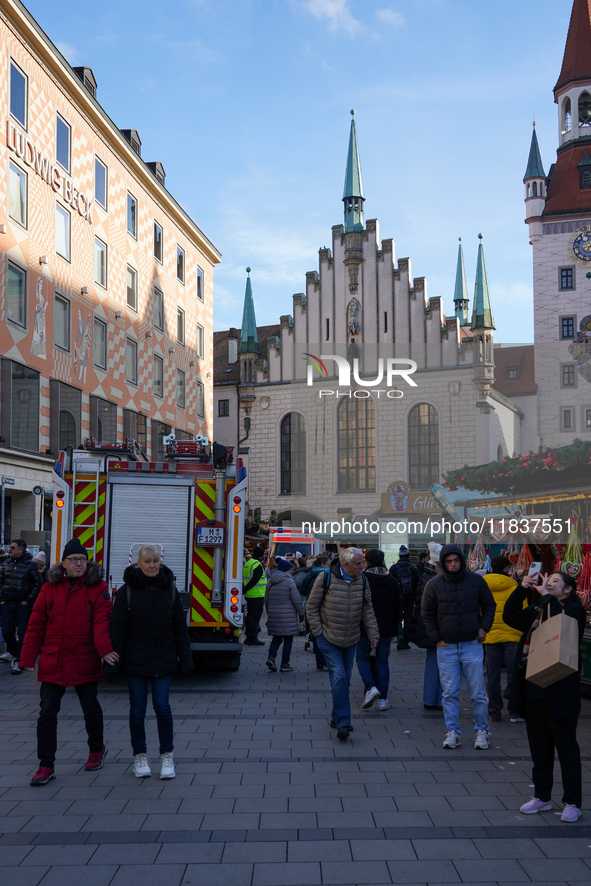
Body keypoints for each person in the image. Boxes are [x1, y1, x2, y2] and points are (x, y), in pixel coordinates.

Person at [19, 539, 117, 786]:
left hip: (85, 658)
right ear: (63, 563)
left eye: (82, 560)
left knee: (90, 708)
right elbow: (36, 624)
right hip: (55, 659)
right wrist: (27, 658)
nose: (78, 564)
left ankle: (96, 749)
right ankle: (46, 765)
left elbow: (101, 622)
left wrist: (105, 651)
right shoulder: (49, 587)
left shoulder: (98, 587)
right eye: (74, 560)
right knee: (47, 713)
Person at [503, 570, 586, 822]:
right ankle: (541, 797)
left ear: (569, 589)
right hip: (534, 688)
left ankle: (572, 802)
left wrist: (545, 597)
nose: (548, 583)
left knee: (566, 749)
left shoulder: (574, 612)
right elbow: (510, 617)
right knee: (539, 750)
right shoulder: (536, 611)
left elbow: (560, 623)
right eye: (546, 581)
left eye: (555, 581)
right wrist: (521, 588)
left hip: (561, 691)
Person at [110, 544, 192, 779]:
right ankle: (140, 756)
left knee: (162, 707)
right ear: (139, 563)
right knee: (137, 710)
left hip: (163, 660)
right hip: (135, 660)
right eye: (147, 562)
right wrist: (111, 665)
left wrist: (185, 660)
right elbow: (117, 630)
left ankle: (167, 756)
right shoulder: (126, 591)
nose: (152, 566)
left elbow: (179, 629)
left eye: (156, 561)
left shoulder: (170, 590)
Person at [421, 544, 496, 750]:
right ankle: (452, 731)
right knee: (449, 693)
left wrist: (484, 628)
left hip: (472, 643)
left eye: (456, 561)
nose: (453, 565)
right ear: (443, 563)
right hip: (446, 646)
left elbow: (489, 605)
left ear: (461, 561)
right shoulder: (434, 584)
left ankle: (482, 731)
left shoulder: (476, 581)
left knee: (478, 692)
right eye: (449, 561)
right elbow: (426, 613)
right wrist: (436, 639)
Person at [307, 547, 379, 741]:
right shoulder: (326, 577)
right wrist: (318, 633)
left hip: (351, 638)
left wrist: (373, 633)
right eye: (358, 564)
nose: (362, 567)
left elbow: (367, 608)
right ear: (345, 565)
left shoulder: (362, 580)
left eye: (362, 563)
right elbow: (311, 607)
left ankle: (335, 716)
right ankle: (343, 723)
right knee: (338, 677)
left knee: (345, 680)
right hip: (328, 637)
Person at [356, 549, 401, 712]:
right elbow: (398, 607)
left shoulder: (362, 579)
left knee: (362, 657)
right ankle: (383, 699)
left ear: (366, 562)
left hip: (365, 627)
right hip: (386, 627)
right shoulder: (391, 581)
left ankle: (370, 687)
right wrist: (395, 628)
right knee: (382, 662)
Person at [483, 555, 523, 723]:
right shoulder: (515, 586)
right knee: (514, 674)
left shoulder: (482, 584)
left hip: (490, 634)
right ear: (507, 569)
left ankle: (494, 711)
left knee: (492, 674)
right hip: (512, 634)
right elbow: (524, 610)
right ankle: (514, 712)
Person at [0, 539, 43, 673]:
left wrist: (27, 601)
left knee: (23, 632)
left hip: (23, 605)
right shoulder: (6, 564)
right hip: (7, 604)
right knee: (6, 631)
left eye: (13, 547)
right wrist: (2, 599)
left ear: (21, 550)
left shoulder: (31, 565)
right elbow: (0, 582)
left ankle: (19, 661)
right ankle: (14, 652)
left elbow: (38, 584)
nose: (10, 550)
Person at [409, 542, 443, 710]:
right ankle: (439, 699)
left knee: (432, 663)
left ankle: (430, 698)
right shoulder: (437, 579)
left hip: (427, 625)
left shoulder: (425, 575)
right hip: (439, 627)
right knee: (443, 666)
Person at [265, 559, 305, 672]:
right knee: (288, 640)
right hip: (288, 617)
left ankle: (271, 657)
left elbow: (266, 600)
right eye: (290, 570)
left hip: (274, 615)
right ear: (285, 570)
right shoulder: (289, 582)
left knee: (276, 638)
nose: (292, 572)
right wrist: (301, 614)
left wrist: (269, 613)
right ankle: (285, 663)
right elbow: (296, 600)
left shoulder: (270, 582)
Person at [300, 554, 331, 669]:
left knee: (316, 634)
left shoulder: (310, 575)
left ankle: (319, 662)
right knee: (328, 634)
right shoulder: (330, 575)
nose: (330, 565)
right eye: (328, 563)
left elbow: (302, 591)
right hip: (328, 607)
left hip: (312, 607)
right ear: (323, 564)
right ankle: (327, 661)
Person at [390, 545, 419, 650]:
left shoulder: (394, 568)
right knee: (408, 619)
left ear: (399, 555)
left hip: (398, 598)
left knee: (397, 618)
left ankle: (400, 636)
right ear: (408, 555)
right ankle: (406, 641)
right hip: (410, 598)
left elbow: (391, 584)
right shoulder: (413, 568)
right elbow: (418, 584)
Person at [243, 548, 267, 646]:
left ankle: (249, 635)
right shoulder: (257, 565)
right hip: (256, 595)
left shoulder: (248, 563)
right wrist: (246, 589)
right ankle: (252, 637)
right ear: (261, 556)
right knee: (254, 617)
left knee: (250, 616)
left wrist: (245, 590)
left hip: (249, 595)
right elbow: (254, 581)